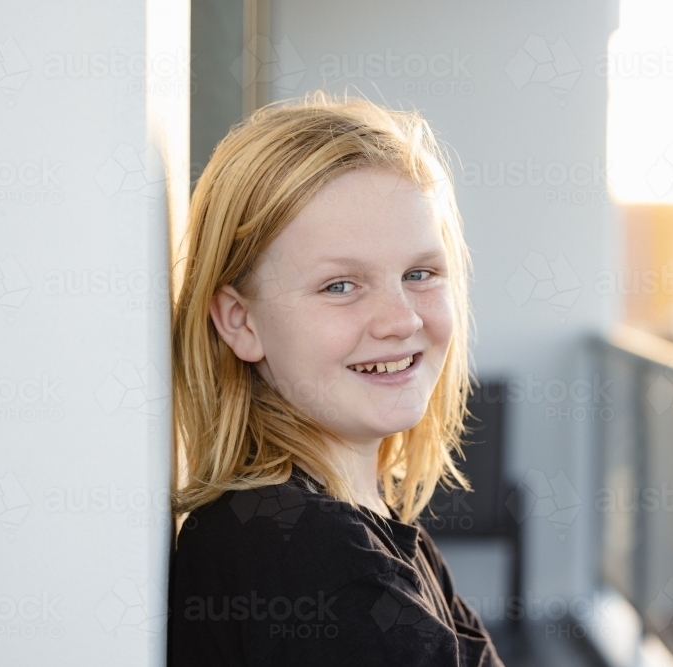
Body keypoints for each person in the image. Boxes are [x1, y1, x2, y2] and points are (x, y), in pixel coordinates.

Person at [167, 92, 503, 667]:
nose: (401, 320)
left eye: (420, 273)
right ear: (241, 321)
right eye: (340, 286)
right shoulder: (316, 566)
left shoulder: (347, 528)